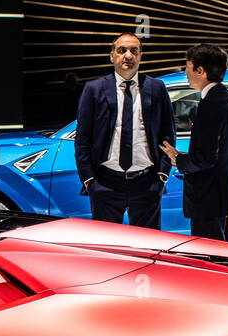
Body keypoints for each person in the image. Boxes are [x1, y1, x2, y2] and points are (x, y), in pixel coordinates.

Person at [74, 32, 175, 230]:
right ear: (112, 56)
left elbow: (168, 134)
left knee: (148, 247)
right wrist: (89, 181)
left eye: (133, 51)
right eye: (122, 50)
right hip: (105, 183)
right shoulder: (94, 89)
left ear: (140, 56)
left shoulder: (156, 87)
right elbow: (83, 138)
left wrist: (162, 176)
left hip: (146, 183)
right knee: (109, 251)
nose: (128, 55)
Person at [159, 43, 228, 242]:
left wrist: (178, 159)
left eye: (187, 66)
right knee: (220, 254)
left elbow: (205, 159)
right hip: (222, 196)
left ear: (200, 70)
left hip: (208, 198)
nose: (185, 72)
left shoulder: (210, 104)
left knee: (209, 258)